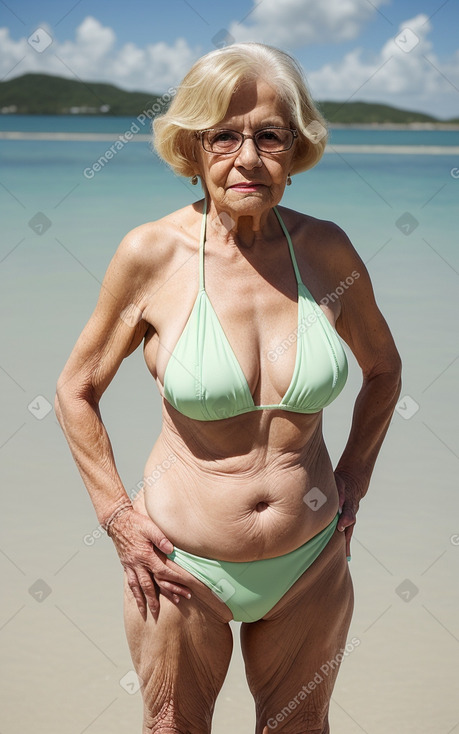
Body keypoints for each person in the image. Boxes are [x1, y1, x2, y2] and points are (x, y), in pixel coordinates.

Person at [55, 42, 401, 734]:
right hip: (182, 571)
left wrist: (355, 475)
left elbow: (384, 369)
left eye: (269, 136)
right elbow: (76, 387)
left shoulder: (325, 250)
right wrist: (117, 517)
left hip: (310, 563)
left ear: (295, 149)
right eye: (223, 136)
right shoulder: (151, 255)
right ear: (191, 147)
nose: (247, 158)